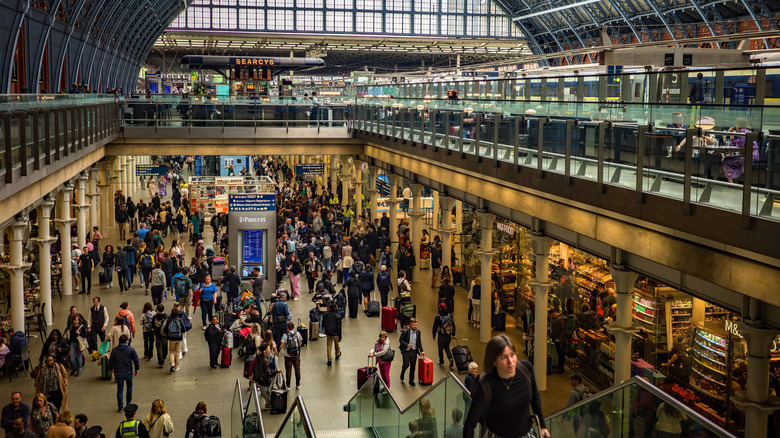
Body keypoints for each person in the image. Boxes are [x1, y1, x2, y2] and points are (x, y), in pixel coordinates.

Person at [463, 334, 549, 438]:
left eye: (512, 354)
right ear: (494, 361)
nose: (511, 361)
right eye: (504, 357)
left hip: (526, 434)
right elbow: (470, 423)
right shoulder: (486, 383)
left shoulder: (526, 369)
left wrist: (543, 426)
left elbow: (535, 397)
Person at [723, 117, 760, 183]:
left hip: (749, 156)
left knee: (725, 160)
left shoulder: (743, 132)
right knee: (728, 158)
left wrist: (730, 155)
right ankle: (733, 179)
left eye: (736, 123)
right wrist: (731, 134)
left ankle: (731, 181)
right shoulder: (745, 131)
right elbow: (736, 144)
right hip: (752, 155)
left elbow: (738, 146)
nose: (735, 125)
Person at [108, 335, 140, 412]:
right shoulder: (131, 349)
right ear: (127, 341)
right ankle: (128, 404)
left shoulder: (115, 350)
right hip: (128, 371)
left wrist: (111, 369)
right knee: (129, 387)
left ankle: (120, 406)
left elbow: (111, 361)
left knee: (120, 389)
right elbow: (136, 360)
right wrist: (136, 369)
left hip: (118, 372)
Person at [399, 318, 425, 386]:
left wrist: (422, 350)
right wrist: (407, 345)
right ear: (410, 325)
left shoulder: (418, 332)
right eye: (413, 325)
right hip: (406, 351)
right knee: (406, 365)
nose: (415, 326)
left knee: (413, 366)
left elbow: (419, 342)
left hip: (414, 351)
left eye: (416, 325)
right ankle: (402, 372)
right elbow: (401, 340)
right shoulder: (405, 332)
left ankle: (411, 380)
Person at [279, 321, 303, 390]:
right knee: (297, 370)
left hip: (288, 356)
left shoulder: (285, 335)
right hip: (296, 355)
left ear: (287, 327)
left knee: (288, 371)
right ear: (293, 327)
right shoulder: (297, 333)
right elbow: (300, 342)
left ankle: (288, 385)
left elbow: (281, 346)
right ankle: (298, 384)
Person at [432, 303, 454, 368]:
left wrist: (434, 335)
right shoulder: (450, 315)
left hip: (441, 335)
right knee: (447, 347)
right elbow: (453, 325)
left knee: (440, 348)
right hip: (448, 335)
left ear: (440, 308)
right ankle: (450, 358)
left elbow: (435, 327)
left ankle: (441, 362)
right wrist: (453, 333)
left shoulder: (438, 317)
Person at [164, 308, 185, 373]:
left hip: (171, 338)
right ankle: (176, 366)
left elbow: (166, 329)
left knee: (171, 351)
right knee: (177, 352)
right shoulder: (180, 320)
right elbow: (184, 329)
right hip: (178, 337)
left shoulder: (169, 320)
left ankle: (172, 364)